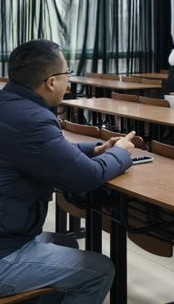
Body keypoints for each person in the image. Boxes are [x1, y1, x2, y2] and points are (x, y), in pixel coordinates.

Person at [0, 39, 137, 303]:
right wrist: (121, 153)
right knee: (99, 270)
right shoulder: (33, 119)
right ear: (52, 82)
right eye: (67, 74)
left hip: (9, 234)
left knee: (65, 243)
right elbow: (87, 177)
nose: (69, 82)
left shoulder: (9, 105)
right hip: (5, 252)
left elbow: (42, 151)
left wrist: (94, 149)